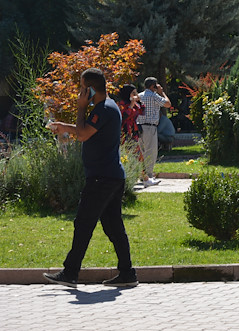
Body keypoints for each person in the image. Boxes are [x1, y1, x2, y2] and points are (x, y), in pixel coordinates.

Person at [43, 68, 138, 288]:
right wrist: (64, 127)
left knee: (84, 223)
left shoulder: (102, 109)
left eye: (82, 87)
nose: (80, 91)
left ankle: (70, 272)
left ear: (91, 89)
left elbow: (84, 134)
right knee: (113, 226)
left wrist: (80, 108)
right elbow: (88, 131)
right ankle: (127, 273)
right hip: (111, 176)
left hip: (102, 178)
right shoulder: (107, 107)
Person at [137, 77, 171, 187]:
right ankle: (149, 177)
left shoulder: (139, 95)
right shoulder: (154, 95)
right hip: (150, 127)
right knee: (151, 152)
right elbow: (167, 104)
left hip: (138, 127)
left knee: (141, 152)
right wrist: (162, 93)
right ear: (153, 86)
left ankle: (143, 176)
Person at [117, 84, 144, 163]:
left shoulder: (135, 104)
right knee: (127, 151)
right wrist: (131, 104)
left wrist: (139, 101)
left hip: (133, 130)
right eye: (133, 93)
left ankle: (141, 172)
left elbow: (141, 111)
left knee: (137, 153)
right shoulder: (122, 104)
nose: (135, 95)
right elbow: (124, 116)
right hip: (125, 131)